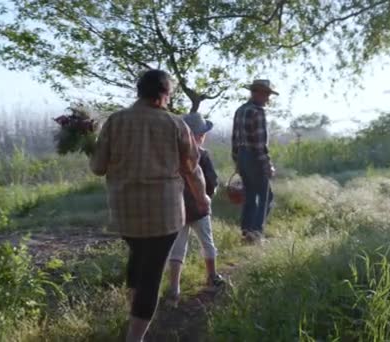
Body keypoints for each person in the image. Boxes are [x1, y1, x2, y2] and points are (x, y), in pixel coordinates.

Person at [89, 69, 210, 342]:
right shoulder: (176, 124)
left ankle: (135, 313)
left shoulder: (115, 122)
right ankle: (135, 336)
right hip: (164, 214)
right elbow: (192, 168)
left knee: (139, 257)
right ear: (163, 95)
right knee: (152, 274)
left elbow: (98, 168)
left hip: (125, 212)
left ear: (139, 91)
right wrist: (201, 198)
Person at [165, 112, 225, 307]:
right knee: (207, 243)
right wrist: (209, 194)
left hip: (177, 209)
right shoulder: (203, 155)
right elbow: (212, 181)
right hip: (200, 209)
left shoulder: (173, 157)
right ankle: (212, 276)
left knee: (177, 249)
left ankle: (174, 288)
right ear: (200, 136)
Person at [231, 79, 278, 244]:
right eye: (266, 94)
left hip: (242, 156)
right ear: (257, 93)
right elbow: (259, 143)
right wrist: (268, 165)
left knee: (250, 195)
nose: (267, 99)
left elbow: (235, 139)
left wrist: (237, 160)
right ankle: (256, 232)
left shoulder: (240, 110)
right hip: (254, 156)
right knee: (267, 196)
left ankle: (246, 231)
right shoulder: (257, 112)